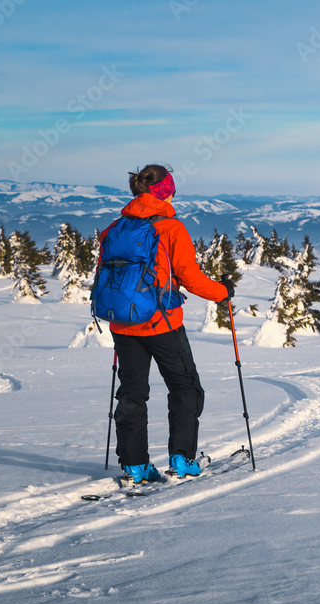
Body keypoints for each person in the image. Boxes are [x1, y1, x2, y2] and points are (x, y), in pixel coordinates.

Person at [104, 164, 234, 483]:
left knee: (132, 393)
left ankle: (135, 466)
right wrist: (222, 292)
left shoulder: (115, 227)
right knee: (185, 387)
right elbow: (189, 276)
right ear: (165, 192)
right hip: (162, 323)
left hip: (123, 324)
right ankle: (182, 459)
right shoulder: (171, 228)